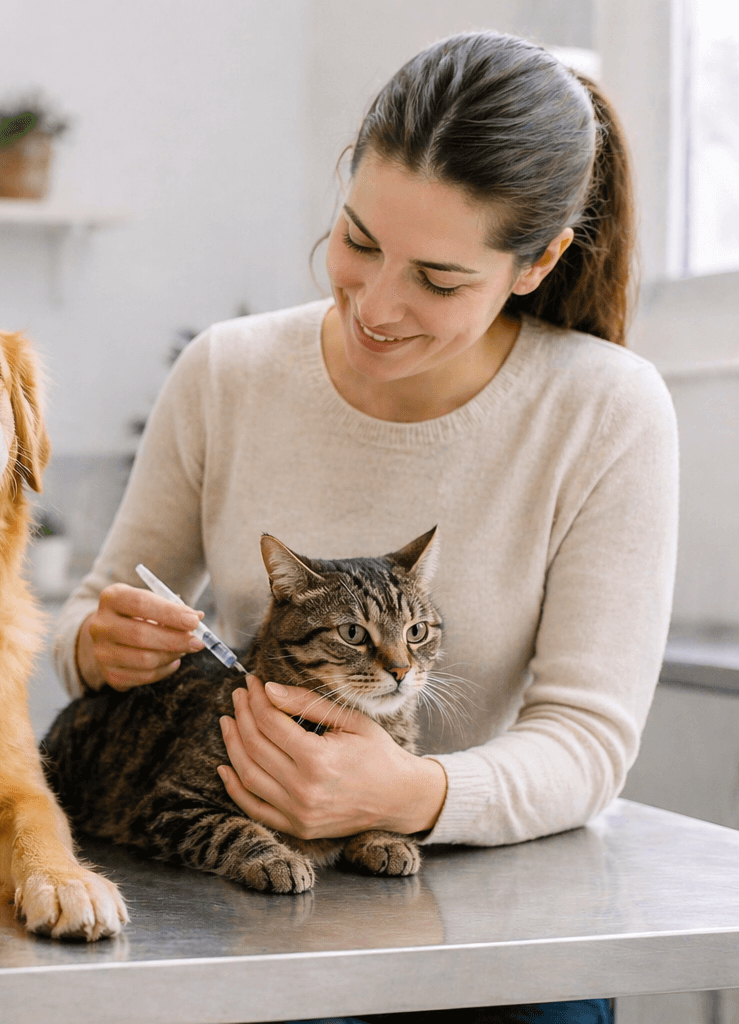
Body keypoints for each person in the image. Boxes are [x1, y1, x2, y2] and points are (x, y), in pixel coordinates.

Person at [53, 31, 675, 1024]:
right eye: (359, 239)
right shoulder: (226, 372)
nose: (376, 306)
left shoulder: (607, 409)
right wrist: (98, 645)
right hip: (252, 907)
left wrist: (409, 794)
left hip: (497, 924)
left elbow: (588, 740)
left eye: (439, 280)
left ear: (538, 262)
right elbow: (94, 614)